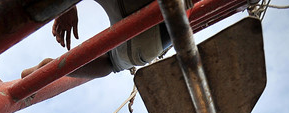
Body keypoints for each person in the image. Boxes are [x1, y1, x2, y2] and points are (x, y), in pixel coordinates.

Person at [21, 1, 174, 79]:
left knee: (112, 62)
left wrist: (66, 6)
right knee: (112, 62)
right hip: (150, 44)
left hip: (142, 46)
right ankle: (49, 68)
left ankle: (49, 68)